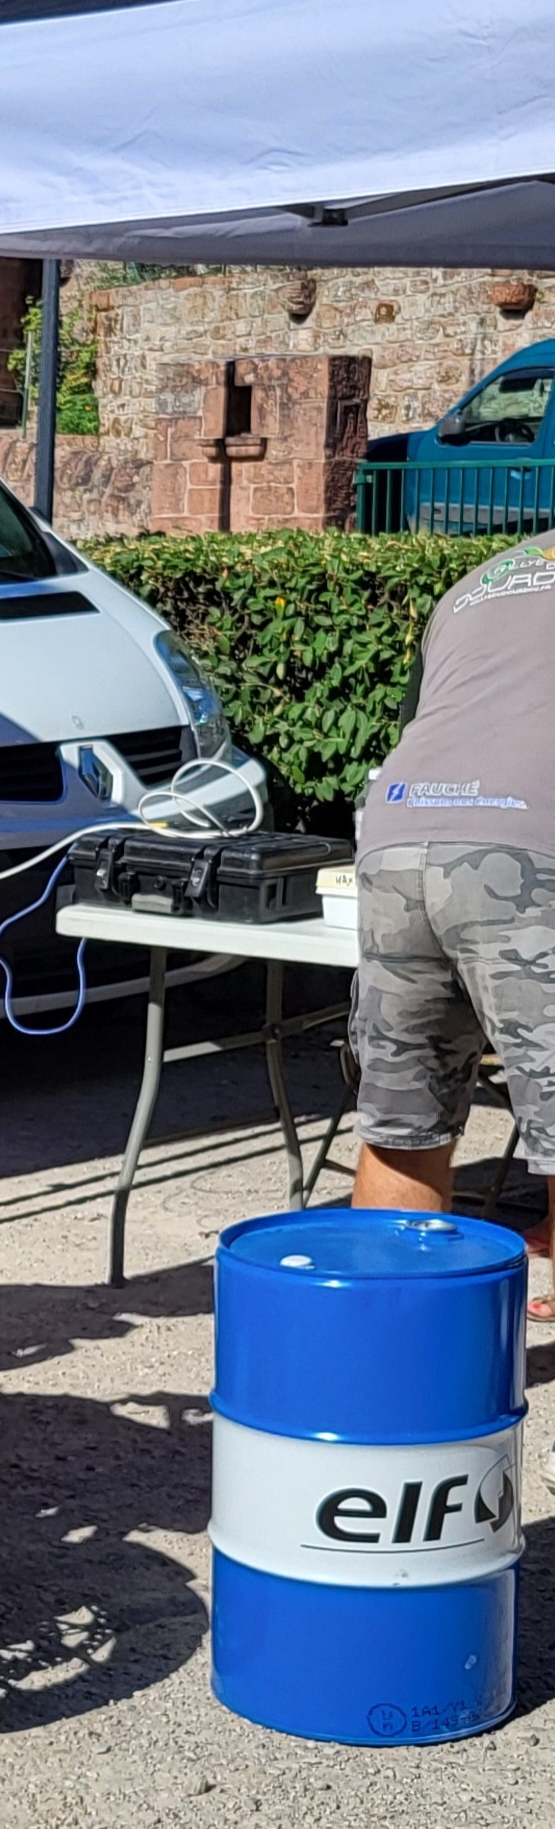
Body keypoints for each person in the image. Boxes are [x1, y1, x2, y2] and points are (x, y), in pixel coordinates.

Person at [352, 534, 555, 1311]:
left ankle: (388, 1339)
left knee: (404, 1124)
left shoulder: (488, 576)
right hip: (525, 848)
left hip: (400, 836)